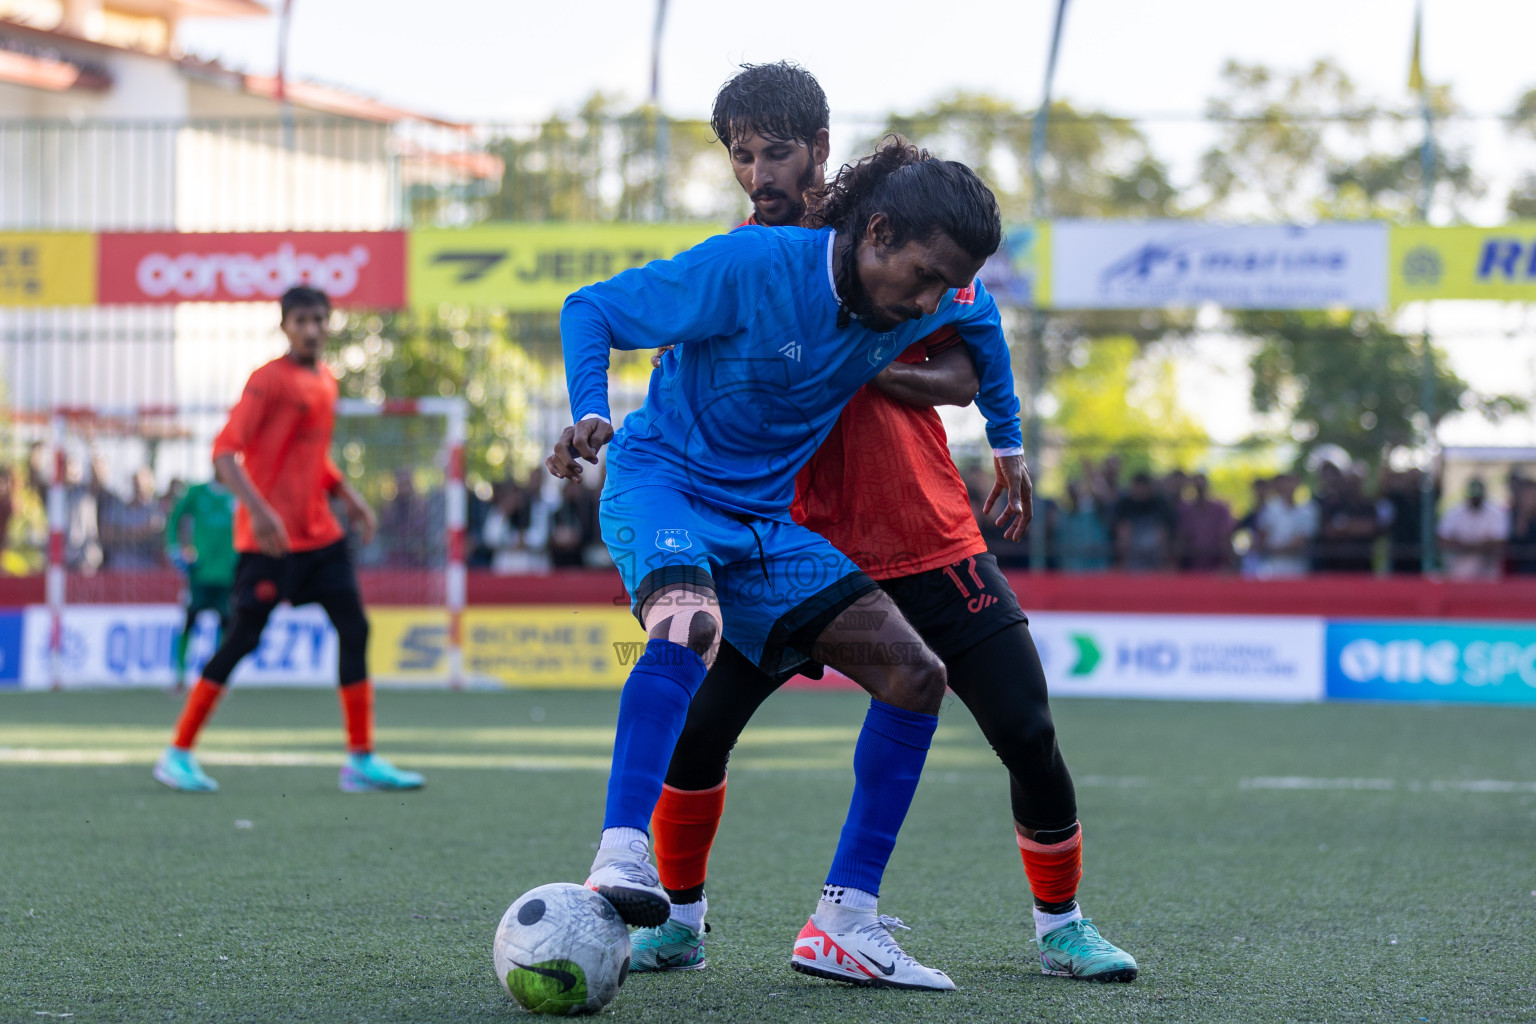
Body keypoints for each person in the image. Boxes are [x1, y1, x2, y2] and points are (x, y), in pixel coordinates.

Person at [616, 62, 1136, 988]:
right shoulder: (741, 265)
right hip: (783, 540)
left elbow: (967, 367)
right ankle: (681, 922)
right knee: (698, 735)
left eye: (775, 153)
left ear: (818, 152)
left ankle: (1063, 926)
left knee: (1025, 727)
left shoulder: (897, 249)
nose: (757, 174)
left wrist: (934, 399)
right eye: (741, 157)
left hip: (922, 533)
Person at [548, 131, 1032, 991]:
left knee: (916, 676)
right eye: (921, 277)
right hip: (662, 488)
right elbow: (591, 308)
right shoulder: (755, 264)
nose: (929, 305)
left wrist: (1011, 445)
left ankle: (844, 923)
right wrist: (590, 408)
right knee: (689, 624)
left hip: (763, 528)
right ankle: (621, 855)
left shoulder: (920, 294)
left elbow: (982, 333)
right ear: (876, 233)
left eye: (940, 286)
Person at [152, 285, 423, 795]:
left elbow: (311, 458)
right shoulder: (266, 380)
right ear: (284, 326)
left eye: (320, 319)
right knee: (241, 640)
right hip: (269, 545)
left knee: (355, 626)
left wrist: (348, 494)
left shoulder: (326, 381)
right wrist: (260, 513)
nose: (312, 329)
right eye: (301, 320)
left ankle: (360, 759)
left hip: (321, 537)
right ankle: (177, 752)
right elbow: (224, 454)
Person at [164, 475, 237, 688]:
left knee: (226, 625)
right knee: (189, 622)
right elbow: (175, 518)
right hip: (200, 573)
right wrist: (175, 549)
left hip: (227, 574)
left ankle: (217, 678)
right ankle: (179, 676)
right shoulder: (196, 492)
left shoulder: (240, 494)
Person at [1436, 477, 1507, 581]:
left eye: (1478, 496)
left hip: (1487, 575)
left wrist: (1468, 546)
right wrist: (1471, 546)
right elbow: (1442, 540)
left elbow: (1500, 542)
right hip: (1458, 574)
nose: (1475, 499)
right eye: (1473, 496)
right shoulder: (1454, 512)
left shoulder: (1495, 512)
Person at [1255, 473, 1316, 579]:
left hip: (1298, 569)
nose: (1288, 486)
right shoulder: (1269, 510)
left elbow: (1301, 542)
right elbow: (1262, 538)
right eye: (1285, 482)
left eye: (1291, 482)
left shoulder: (1308, 511)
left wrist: (1274, 549)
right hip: (1272, 570)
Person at [1174, 473, 1233, 572]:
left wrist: (1226, 562)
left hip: (1216, 567)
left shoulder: (1220, 510)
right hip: (1190, 567)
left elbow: (1225, 538)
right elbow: (1182, 539)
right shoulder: (1185, 511)